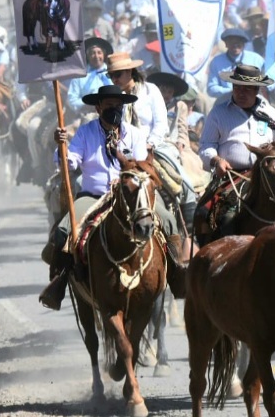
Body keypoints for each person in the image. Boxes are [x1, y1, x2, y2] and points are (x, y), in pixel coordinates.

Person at [38, 84, 188, 310]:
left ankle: (176, 276)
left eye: (118, 106)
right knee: (63, 230)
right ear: (98, 108)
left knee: (167, 219)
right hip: (94, 196)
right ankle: (58, 283)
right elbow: (70, 162)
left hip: (131, 195)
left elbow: (141, 167)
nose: (114, 110)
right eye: (109, 106)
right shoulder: (85, 132)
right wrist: (62, 148)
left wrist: (130, 179)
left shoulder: (136, 134)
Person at [102, 52, 168, 149]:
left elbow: (161, 123)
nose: (114, 80)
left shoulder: (150, 90)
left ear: (129, 71)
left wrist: (150, 144)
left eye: (117, 74)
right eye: (110, 76)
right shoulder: (116, 100)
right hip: (126, 149)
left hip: (153, 146)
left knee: (167, 164)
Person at [206, 29, 264, 99]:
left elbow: (267, 80)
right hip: (227, 102)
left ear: (243, 44)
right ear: (226, 44)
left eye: (238, 42)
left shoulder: (256, 59)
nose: (235, 45)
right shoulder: (216, 62)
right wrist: (231, 92)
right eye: (231, 42)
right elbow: (211, 88)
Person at [66, 39, 113, 116]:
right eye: (92, 53)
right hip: (87, 115)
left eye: (99, 53)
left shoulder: (113, 72)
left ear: (104, 55)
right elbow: (72, 99)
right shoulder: (80, 76)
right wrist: (88, 105)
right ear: (87, 56)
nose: (96, 56)